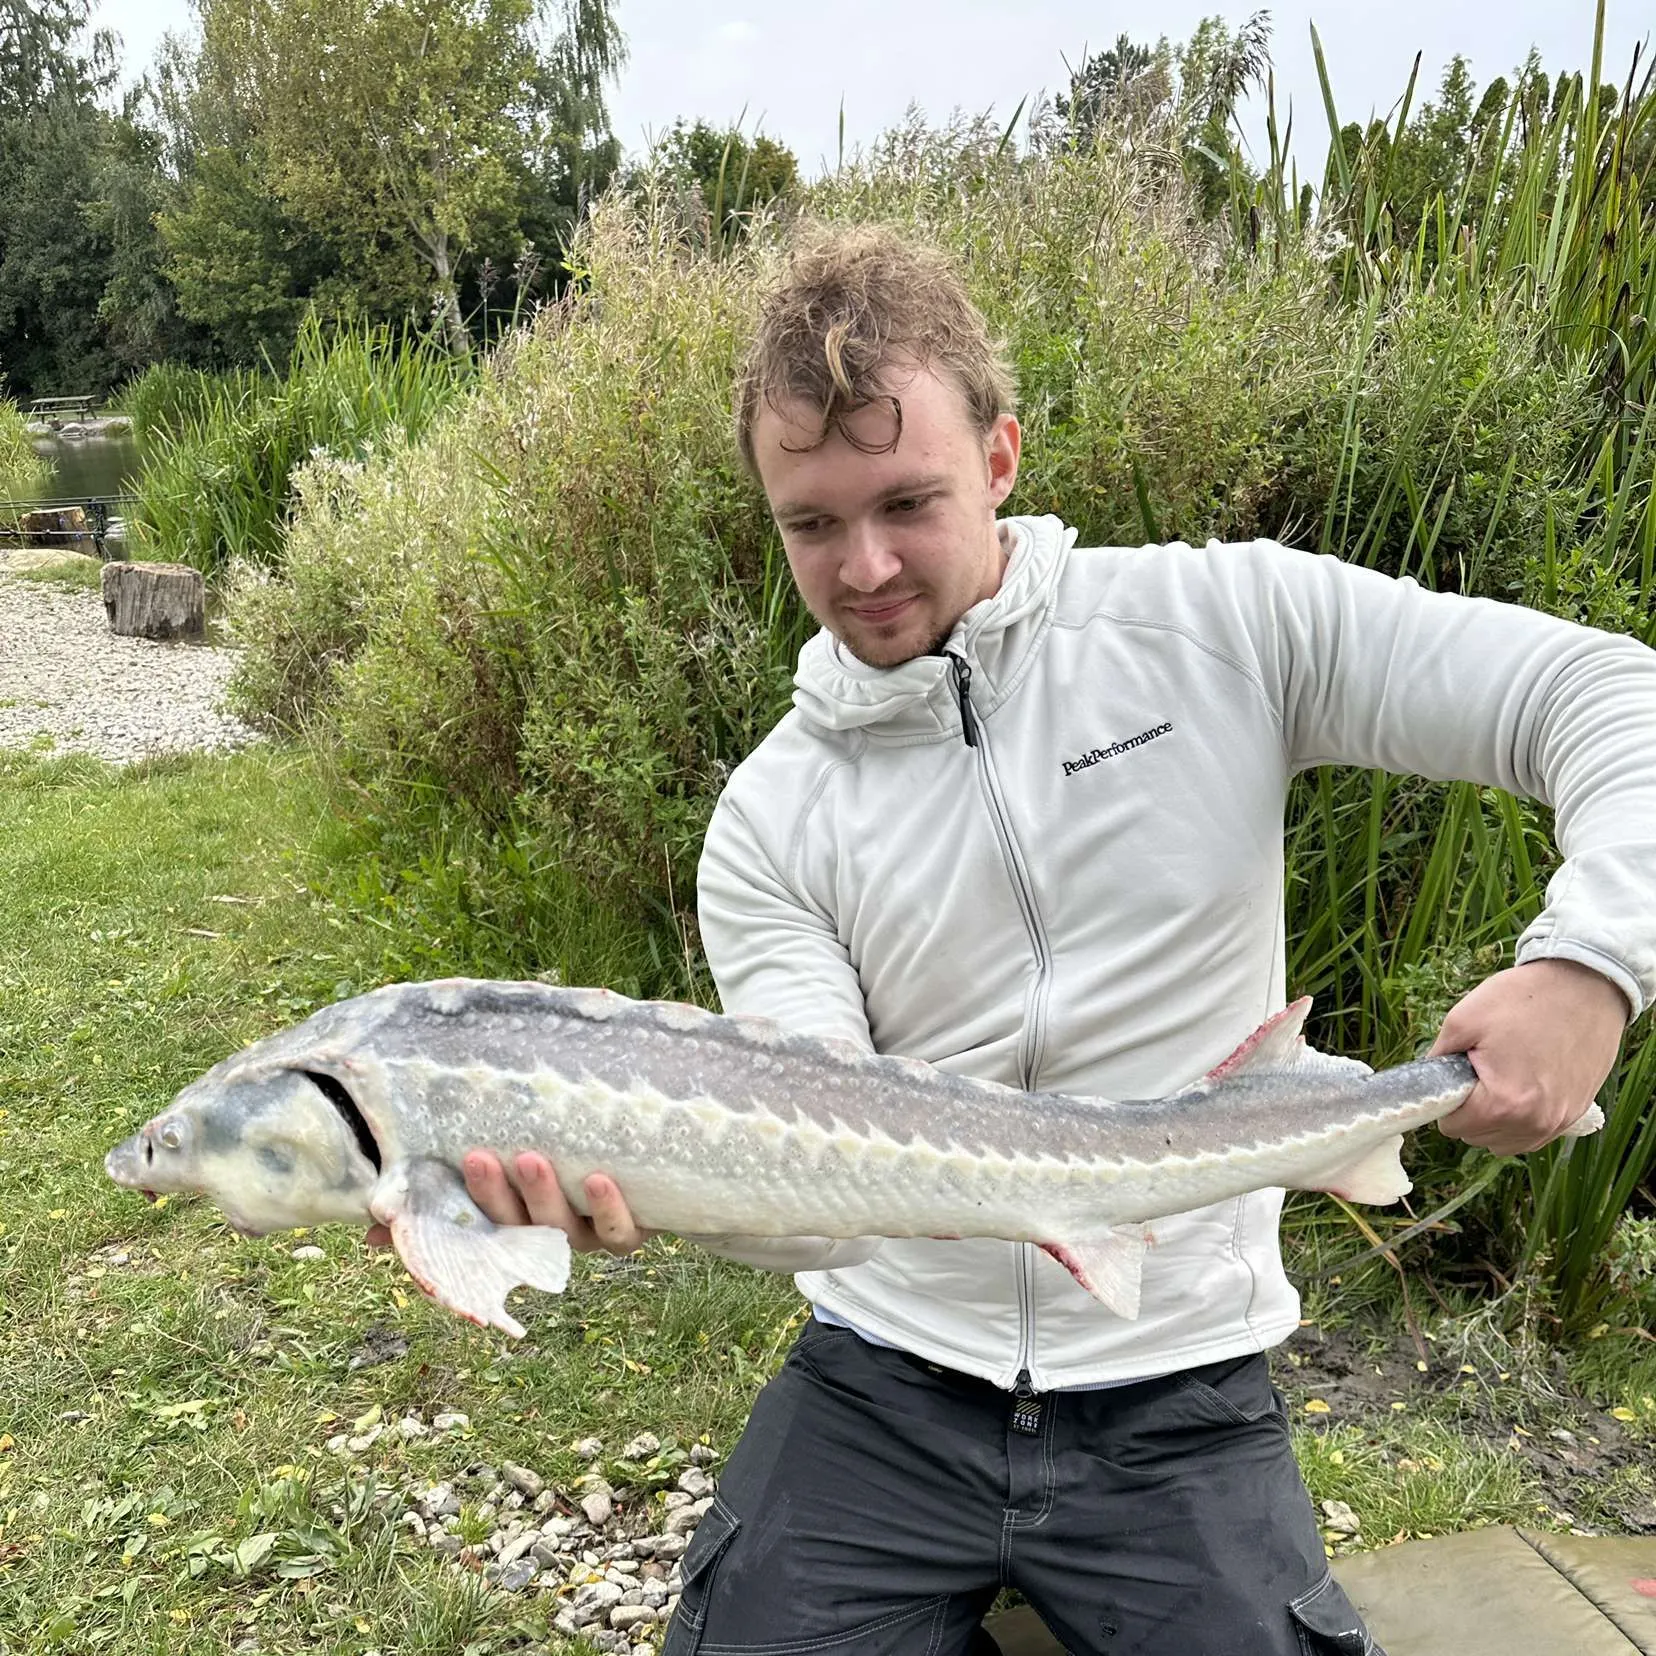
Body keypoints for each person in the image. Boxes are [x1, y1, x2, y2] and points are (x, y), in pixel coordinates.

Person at [457, 225, 1654, 1654]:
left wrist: (1591, 964)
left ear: (1005, 457)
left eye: (911, 500)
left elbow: (1607, 699)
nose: (868, 567)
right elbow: (827, 1177)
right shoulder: (771, 820)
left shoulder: (1228, 624)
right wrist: (663, 1186)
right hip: (891, 1373)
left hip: (1177, 1380)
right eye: (812, 525)